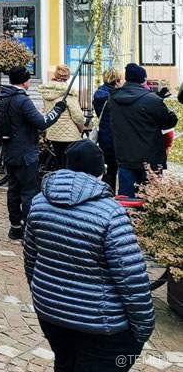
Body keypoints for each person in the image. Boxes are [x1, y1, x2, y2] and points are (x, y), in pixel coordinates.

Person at [24, 140, 154, 372]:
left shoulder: (39, 202)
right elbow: (132, 279)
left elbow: (30, 260)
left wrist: (44, 297)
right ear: (101, 172)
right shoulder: (111, 214)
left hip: (51, 313)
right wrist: (143, 328)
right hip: (100, 325)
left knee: (65, 363)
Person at [0, 66, 67, 240]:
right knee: (29, 192)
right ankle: (29, 230)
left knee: (13, 190)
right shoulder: (22, 100)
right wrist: (57, 110)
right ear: (24, 81)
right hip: (25, 154)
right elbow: (41, 122)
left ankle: (15, 227)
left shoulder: (3, 96)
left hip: (9, 152)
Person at [109, 63, 178, 197]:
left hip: (125, 156)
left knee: (127, 200)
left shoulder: (114, 98)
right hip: (150, 159)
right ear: (143, 79)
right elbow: (168, 122)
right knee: (151, 200)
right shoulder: (152, 99)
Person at [39, 64, 86, 170]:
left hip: (53, 132)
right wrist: (81, 128)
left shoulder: (47, 91)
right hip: (69, 134)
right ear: (67, 76)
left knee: (59, 160)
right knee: (70, 163)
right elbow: (78, 116)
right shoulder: (68, 92)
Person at [93, 68, 122, 193]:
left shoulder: (98, 94)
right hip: (116, 134)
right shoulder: (116, 96)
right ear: (116, 80)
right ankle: (112, 192)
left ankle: (105, 192)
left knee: (107, 166)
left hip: (104, 134)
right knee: (115, 167)